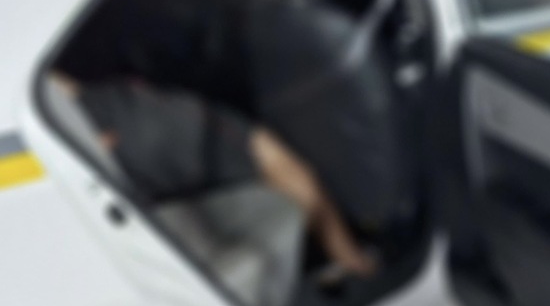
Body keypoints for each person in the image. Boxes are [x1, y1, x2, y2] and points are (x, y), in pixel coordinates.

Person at [52, 74, 377, 280]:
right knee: (279, 163)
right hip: (134, 129)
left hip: (101, 122)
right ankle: (352, 262)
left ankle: (344, 258)